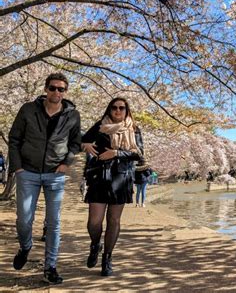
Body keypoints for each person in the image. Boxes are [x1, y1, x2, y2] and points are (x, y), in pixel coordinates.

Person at [8, 73, 81, 284]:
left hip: (55, 174)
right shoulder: (28, 110)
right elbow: (14, 139)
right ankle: (25, 247)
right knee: (24, 220)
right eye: (52, 88)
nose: (56, 92)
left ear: (65, 92)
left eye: (61, 89)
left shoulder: (72, 115)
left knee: (54, 222)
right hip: (27, 172)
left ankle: (50, 267)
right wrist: (18, 168)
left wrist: (66, 163)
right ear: (46, 89)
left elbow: (75, 142)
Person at [81, 97, 143, 276]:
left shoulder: (134, 129)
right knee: (94, 222)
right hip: (99, 176)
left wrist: (116, 152)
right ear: (109, 109)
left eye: (121, 108)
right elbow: (83, 139)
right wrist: (85, 144)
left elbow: (138, 154)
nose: (118, 111)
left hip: (121, 178)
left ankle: (107, 258)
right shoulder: (100, 125)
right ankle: (95, 244)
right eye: (114, 107)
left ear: (126, 110)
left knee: (114, 221)